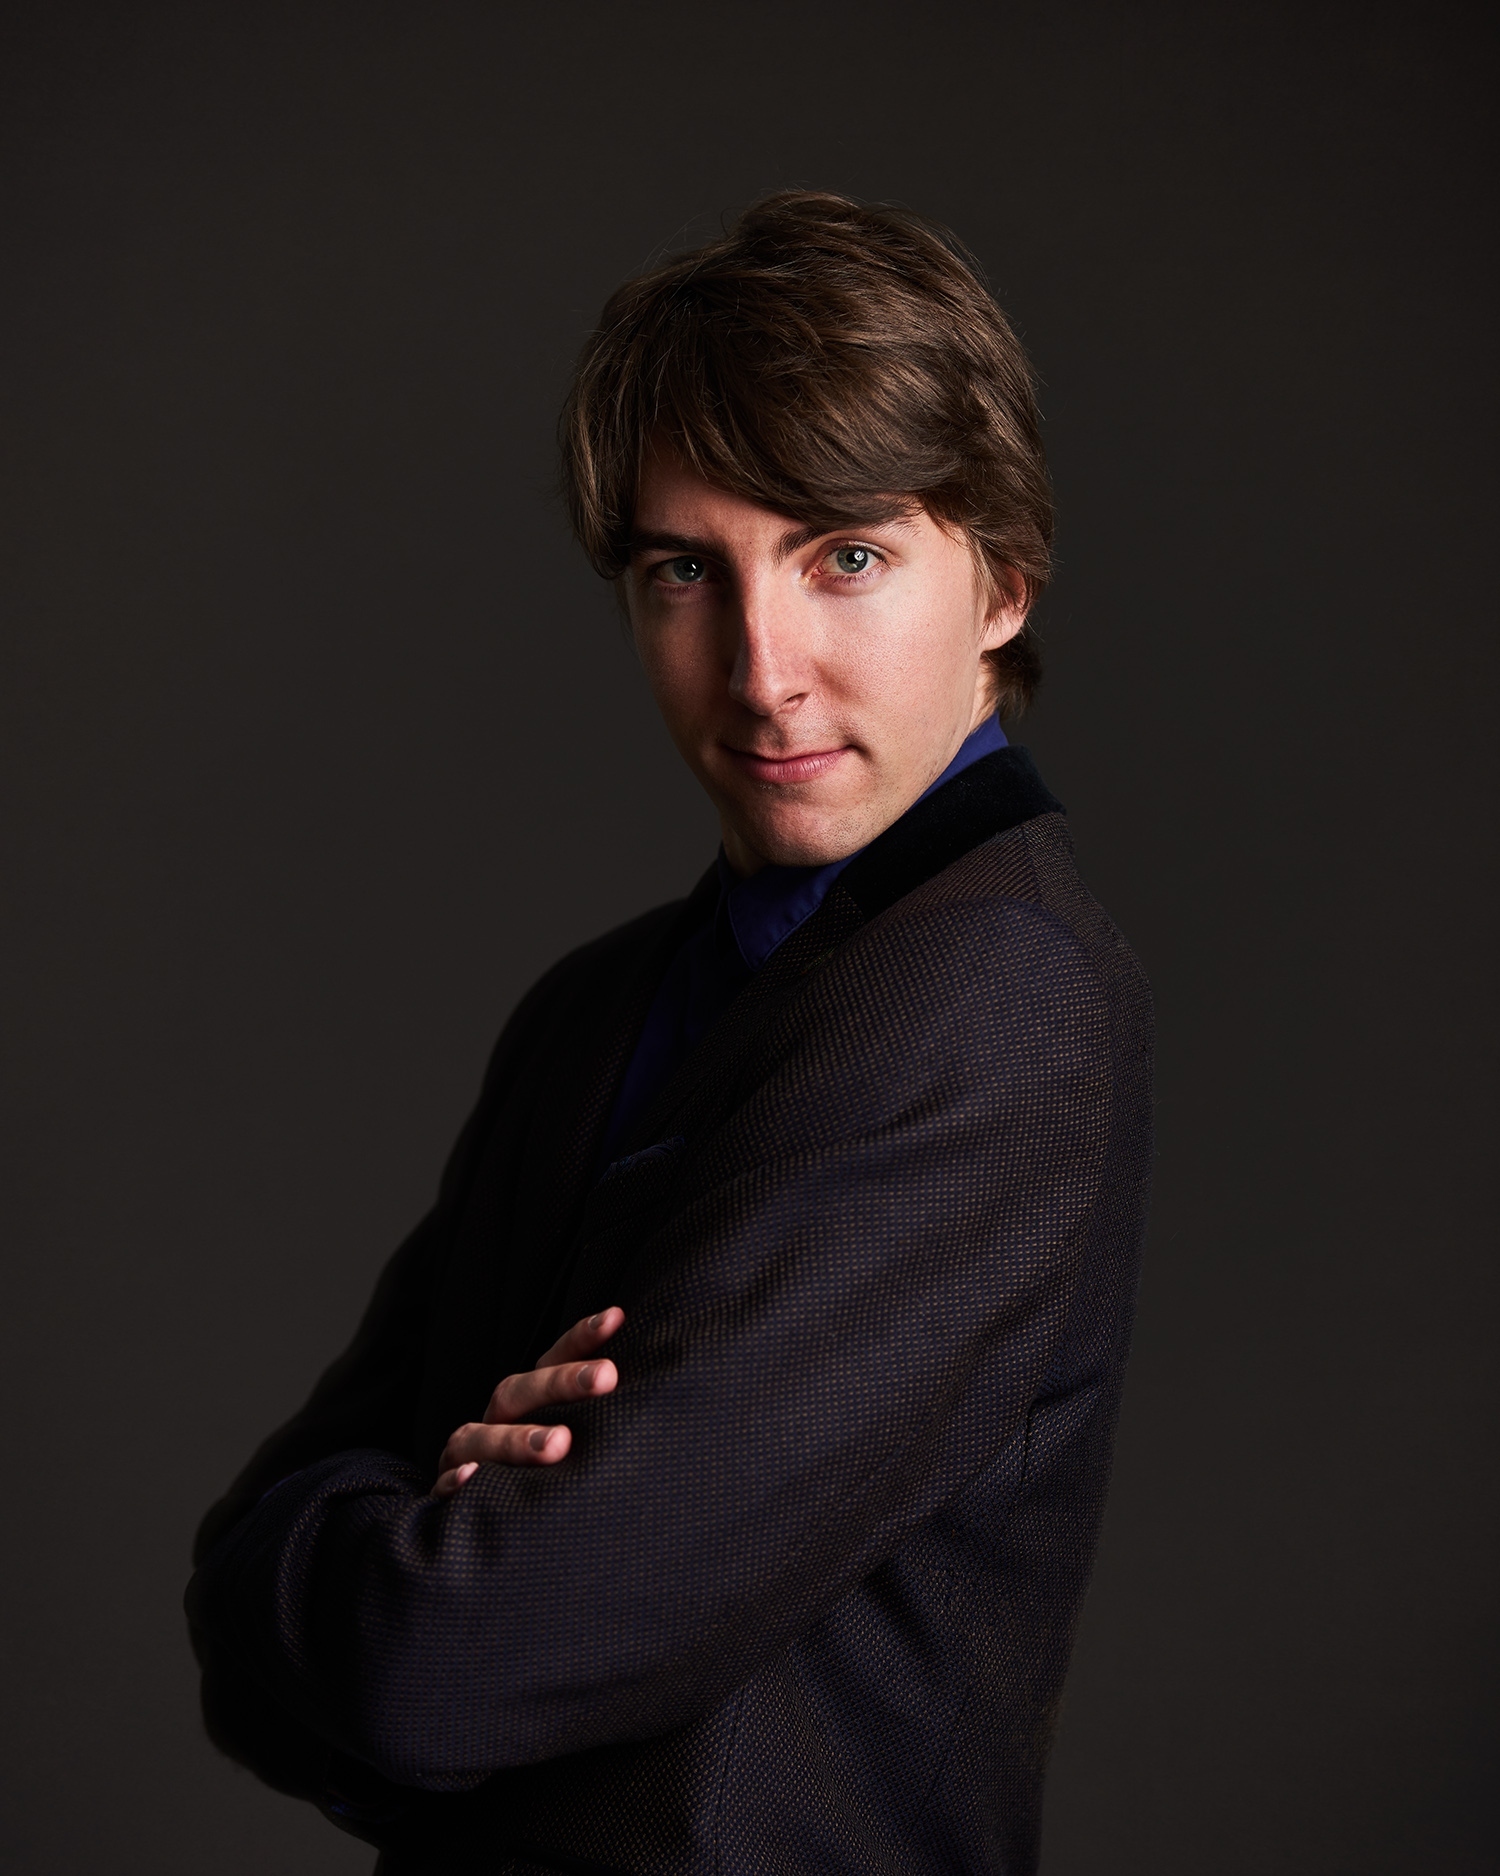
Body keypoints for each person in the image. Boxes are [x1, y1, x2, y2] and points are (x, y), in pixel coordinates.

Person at [187, 190, 1153, 1876]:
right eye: (686, 573)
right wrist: (362, 1545)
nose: (763, 668)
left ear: (1001, 579)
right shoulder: (592, 1012)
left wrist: (383, 1564)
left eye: (843, 556)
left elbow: (443, 1664)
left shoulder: (999, 995)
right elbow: (243, 1591)